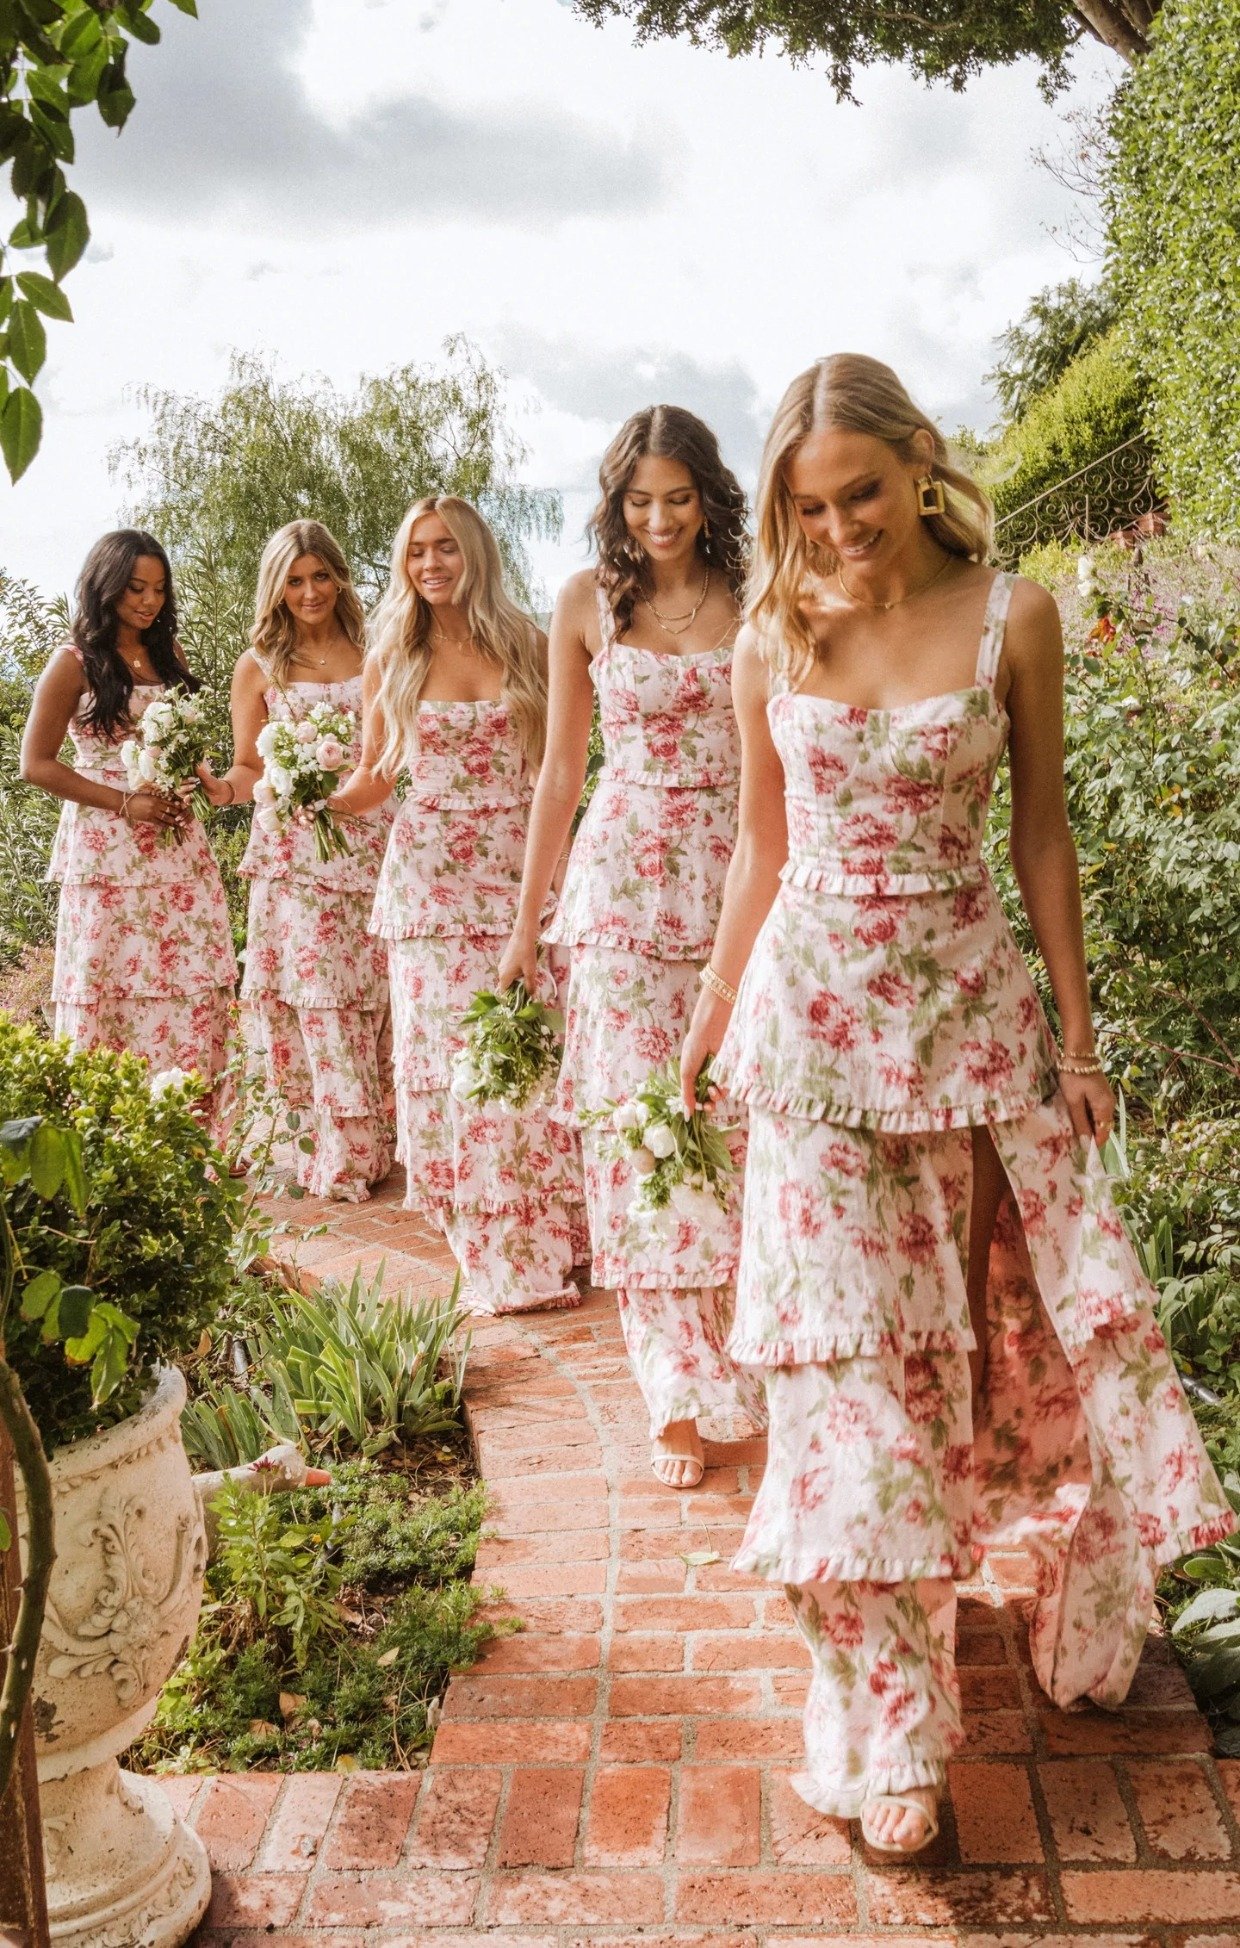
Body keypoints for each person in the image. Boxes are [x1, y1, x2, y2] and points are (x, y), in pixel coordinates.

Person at [680, 354, 1234, 1853]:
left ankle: (1018, 1612)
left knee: (953, 1369)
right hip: (808, 1046)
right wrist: (710, 1013)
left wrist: (1080, 1034)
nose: (842, 530)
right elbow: (757, 847)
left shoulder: (1015, 616)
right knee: (838, 1386)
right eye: (810, 506)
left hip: (968, 1038)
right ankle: (888, 1727)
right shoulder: (772, 633)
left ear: (921, 459)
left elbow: (1043, 833)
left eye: (860, 492)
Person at [499, 406, 764, 1488]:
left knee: (736, 1123)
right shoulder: (583, 605)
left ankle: (754, 1354)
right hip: (618, 889)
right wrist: (526, 928)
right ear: (615, 503)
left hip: (736, 874)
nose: (657, 519)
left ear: (709, 496)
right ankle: (677, 1385)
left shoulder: (755, 600)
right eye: (638, 500)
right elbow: (561, 775)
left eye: (678, 497)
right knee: (633, 1129)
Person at [331, 494, 584, 1312]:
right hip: (430, 888)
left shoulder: (531, 644)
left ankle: (546, 1238)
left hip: (520, 866)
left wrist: (566, 886)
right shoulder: (390, 659)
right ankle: (491, 1249)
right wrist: (302, 791)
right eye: (416, 553)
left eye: (445, 548)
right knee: (452, 1068)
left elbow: (557, 776)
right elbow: (374, 781)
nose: (431, 564)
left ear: (475, 551)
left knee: (530, 1058)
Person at [198, 520, 393, 1201]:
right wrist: (221, 788)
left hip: (370, 839)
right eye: (294, 580)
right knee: (317, 1001)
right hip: (290, 856)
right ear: (276, 587)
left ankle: (385, 1138)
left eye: (320, 576)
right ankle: (337, 1150)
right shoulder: (258, 665)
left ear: (339, 578)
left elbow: (386, 759)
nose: (309, 592)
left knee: (377, 993)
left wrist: (341, 795)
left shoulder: (377, 652)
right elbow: (249, 766)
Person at [22, 529, 236, 1112]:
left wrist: (211, 780)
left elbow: (185, 742)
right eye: (136, 588)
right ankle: (116, 1131)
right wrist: (124, 802)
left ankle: (191, 1128)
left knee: (188, 984)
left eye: (159, 590)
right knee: (112, 987)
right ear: (106, 587)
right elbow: (35, 765)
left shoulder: (169, 656)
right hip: (107, 850)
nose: (148, 601)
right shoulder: (72, 663)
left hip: (176, 844)